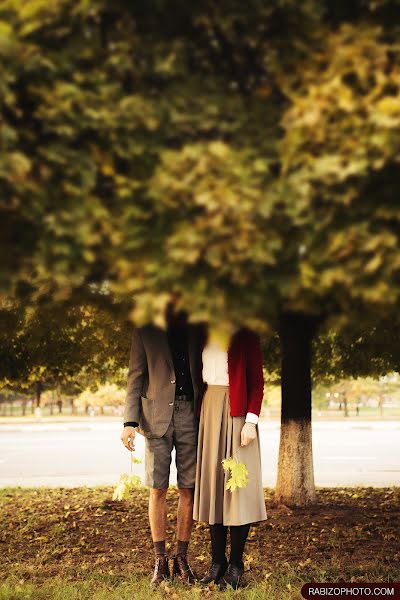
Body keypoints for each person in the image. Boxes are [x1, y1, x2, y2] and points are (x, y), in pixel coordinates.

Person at [120, 301, 206, 587]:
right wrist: (129, 423)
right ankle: (160, 560)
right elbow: (135, 376)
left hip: (190, 415)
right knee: (157, 489)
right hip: (155, 415)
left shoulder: (198, 322)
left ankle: (182, 557)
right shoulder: (145, 327)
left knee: (187, 487)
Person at [193, 326, 267, 589]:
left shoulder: (246, 334)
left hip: (238, 415)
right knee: (214, 486)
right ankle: (217, 562)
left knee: (238, 490)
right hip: (209, 410)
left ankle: (236, 564)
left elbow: (257, 382)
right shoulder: (202, 333)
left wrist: (251, 422)